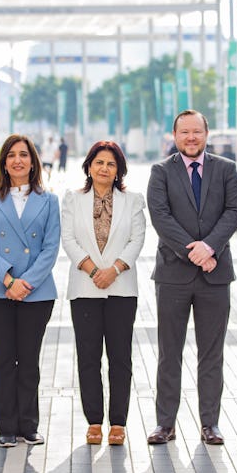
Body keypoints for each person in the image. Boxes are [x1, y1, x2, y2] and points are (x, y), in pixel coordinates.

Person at [146, 109, 237, 446]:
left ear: (206, 133)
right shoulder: (161, 171)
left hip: (215, 276)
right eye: (184, 132)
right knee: (169, 351)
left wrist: (211, 247)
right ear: (174, 136)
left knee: (211, 353)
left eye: (196, 132)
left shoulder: (226, 169)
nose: (191, 138)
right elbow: (160, 216)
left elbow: (234, 211)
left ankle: (210, 424)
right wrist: (194, 252)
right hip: (173, 274)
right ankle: (165, 423)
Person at [0, 134, 60, 447]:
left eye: (23, 154)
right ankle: (6, 428)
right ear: (3, 162)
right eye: (11, 155)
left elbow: (50, 248)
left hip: (36, 293)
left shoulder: (49, 200)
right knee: (2, 360)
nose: (17, 160)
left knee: (28, 360)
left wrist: (27, 283)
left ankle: (29, 424)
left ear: (33, 160)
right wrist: (9, 280)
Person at [61, 141, 146, 445]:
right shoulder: (73, 199)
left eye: (111, 164)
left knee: (120, 357)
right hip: (85, 287)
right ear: (88, 166)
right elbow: (69, 240)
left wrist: (115, 269)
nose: (104, 168)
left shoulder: (133, 201)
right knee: (88, 356)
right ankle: (94, 421)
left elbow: (137, 240)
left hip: (122, 288)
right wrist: (95, 271)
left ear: (119, 170)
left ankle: (118, 423)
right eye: (99, 162)